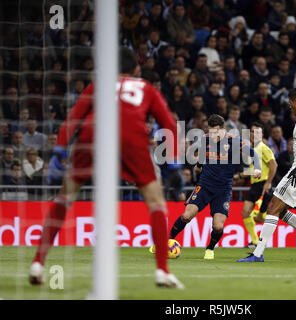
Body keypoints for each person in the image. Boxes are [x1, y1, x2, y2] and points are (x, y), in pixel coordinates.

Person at [29, 47, 184, 289]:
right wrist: (174, 161)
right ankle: (162, 271)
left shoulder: (98, 85)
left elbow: (73, 119)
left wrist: (60, 148)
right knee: (156, 203)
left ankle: (38, 263)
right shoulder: (146, 87)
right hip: (131, 138)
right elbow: (169, 125)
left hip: (94, 135)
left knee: (65, 197)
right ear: (136, 69)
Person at [237, 87, 296, 262]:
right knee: (280, 209)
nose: (289, 107)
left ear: (294, 101)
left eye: (290, 103)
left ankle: (257, 253)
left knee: (272, 207)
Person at [158, 114, 261, 260]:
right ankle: (164, 243)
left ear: (223, 130)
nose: (212, 135)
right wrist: (199, 165)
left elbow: (254, 154)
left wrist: (257, 169)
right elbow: (201, 157)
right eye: (210, 132)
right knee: (186, 216)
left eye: (216, 132)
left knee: (218, 226)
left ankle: (210, 249)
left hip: (223, 190)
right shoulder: (204, 139)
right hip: (205, 186)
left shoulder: (234, 142)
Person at [238, 122, 277, 249]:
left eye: (258, 132)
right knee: (245, 212)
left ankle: (274, 217)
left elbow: (273, 165)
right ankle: (255, 242)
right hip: (254, 185)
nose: (254, 134)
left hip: (263, 185)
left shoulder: (264, 148)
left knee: (259, 218)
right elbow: (253, 170)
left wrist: (268, 183)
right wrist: (239, 176)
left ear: (262, 135)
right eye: (252, 132)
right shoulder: (252, 150)